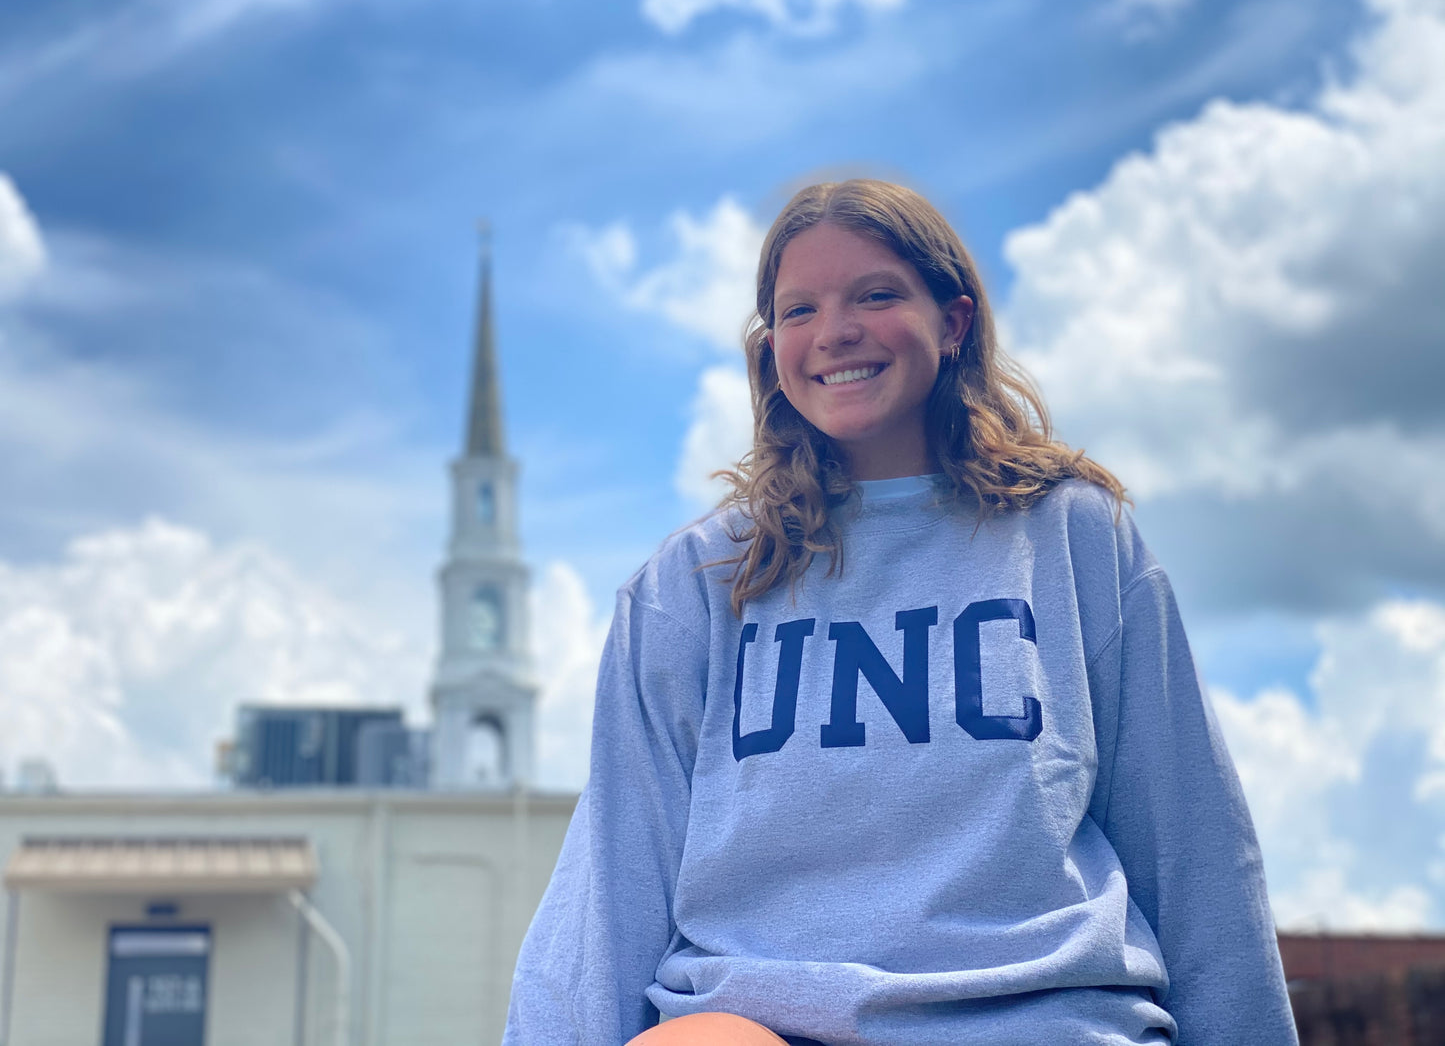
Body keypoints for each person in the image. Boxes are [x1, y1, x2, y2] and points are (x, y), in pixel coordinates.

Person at [503, 179, 1298, 1045]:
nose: (834, 331)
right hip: (762, 1016)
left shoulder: (1072, 538)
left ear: (953, 322)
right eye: (798, 310)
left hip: (1035, 1017)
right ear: (772, 351)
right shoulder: (693, 581)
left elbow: (1190, 842)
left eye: (875, 295)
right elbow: (617, 871)